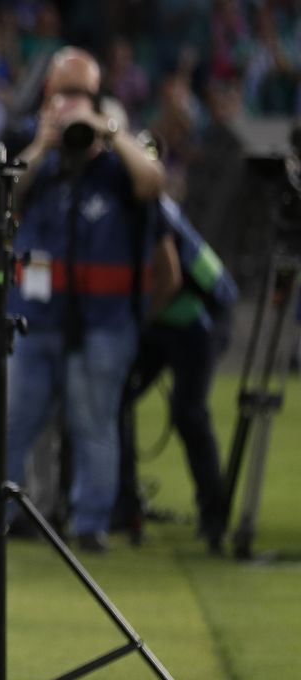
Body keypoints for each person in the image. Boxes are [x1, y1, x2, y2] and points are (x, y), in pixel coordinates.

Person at [6, 47, 165, 553]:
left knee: (94, 422)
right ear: (47, 95)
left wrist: (111, 134)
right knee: (14, 419)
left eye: (84, 96)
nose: (73, 104)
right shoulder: (36, 151)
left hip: (102, 320)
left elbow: (154, 182)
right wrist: (42, 142)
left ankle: (91, 522)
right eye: (63, 94)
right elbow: (1, 199)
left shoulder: (118, 159)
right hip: (38, 318)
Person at [118, 195, 235, 553]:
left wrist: (136, 321)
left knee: (188, 412)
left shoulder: (150, 207)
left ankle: (214, 517)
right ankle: (124, 507)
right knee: (113, 401)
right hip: (161, 318)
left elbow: (169, 279)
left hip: (201, 317)